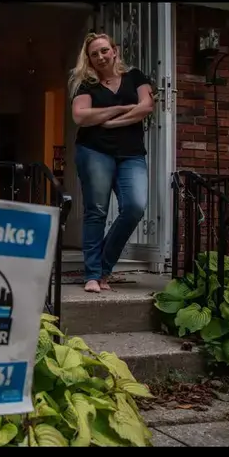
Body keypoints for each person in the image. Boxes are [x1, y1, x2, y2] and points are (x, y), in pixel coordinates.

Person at [68, 32, 155, 293]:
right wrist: (121, 108)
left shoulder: (135, 76)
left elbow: (146, 107)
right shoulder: (86, 84)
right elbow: (80, 116)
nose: (100, 56)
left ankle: (103, 266)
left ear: (114, 51)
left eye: (104, 50)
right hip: (94, 150)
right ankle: (93, 275)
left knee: (135, 207)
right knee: (96, 211)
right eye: (94, 54)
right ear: (89, 59)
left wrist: (109, 121)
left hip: (131, 153)